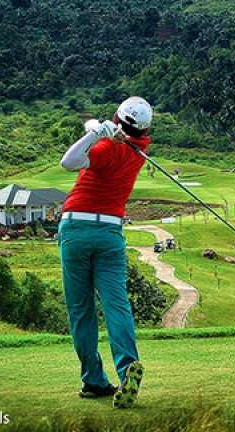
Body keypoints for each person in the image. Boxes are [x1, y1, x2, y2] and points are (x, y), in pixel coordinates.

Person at [58, 96, 153, 409]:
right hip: (111, 233)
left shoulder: (107, 147)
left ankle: (93, 380)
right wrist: (97, 128)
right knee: (116, 304)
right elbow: (109, 130)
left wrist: (97, 133)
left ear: (118, 117)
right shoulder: (140, 150)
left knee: (81, 309)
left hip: (76, 229)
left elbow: (68, 162)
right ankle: (128, 369)